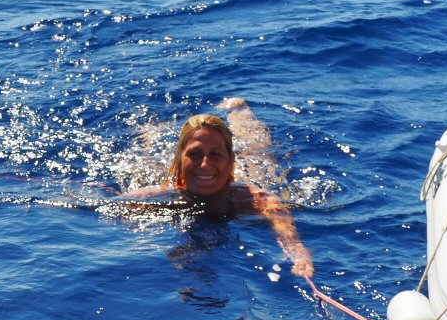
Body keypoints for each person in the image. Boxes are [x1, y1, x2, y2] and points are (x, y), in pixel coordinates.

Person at [126, 98, 314, 279]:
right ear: (180, 161)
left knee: (257, 153)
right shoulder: (159, 197)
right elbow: (111, 203)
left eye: (215, 154)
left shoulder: (254, 199)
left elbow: (284, 228)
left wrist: (299, 255)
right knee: (147, 160)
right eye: (194, 154)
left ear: (231, 161)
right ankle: (150, 130)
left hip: (247, 176)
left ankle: (238, 110)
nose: (205, 165)